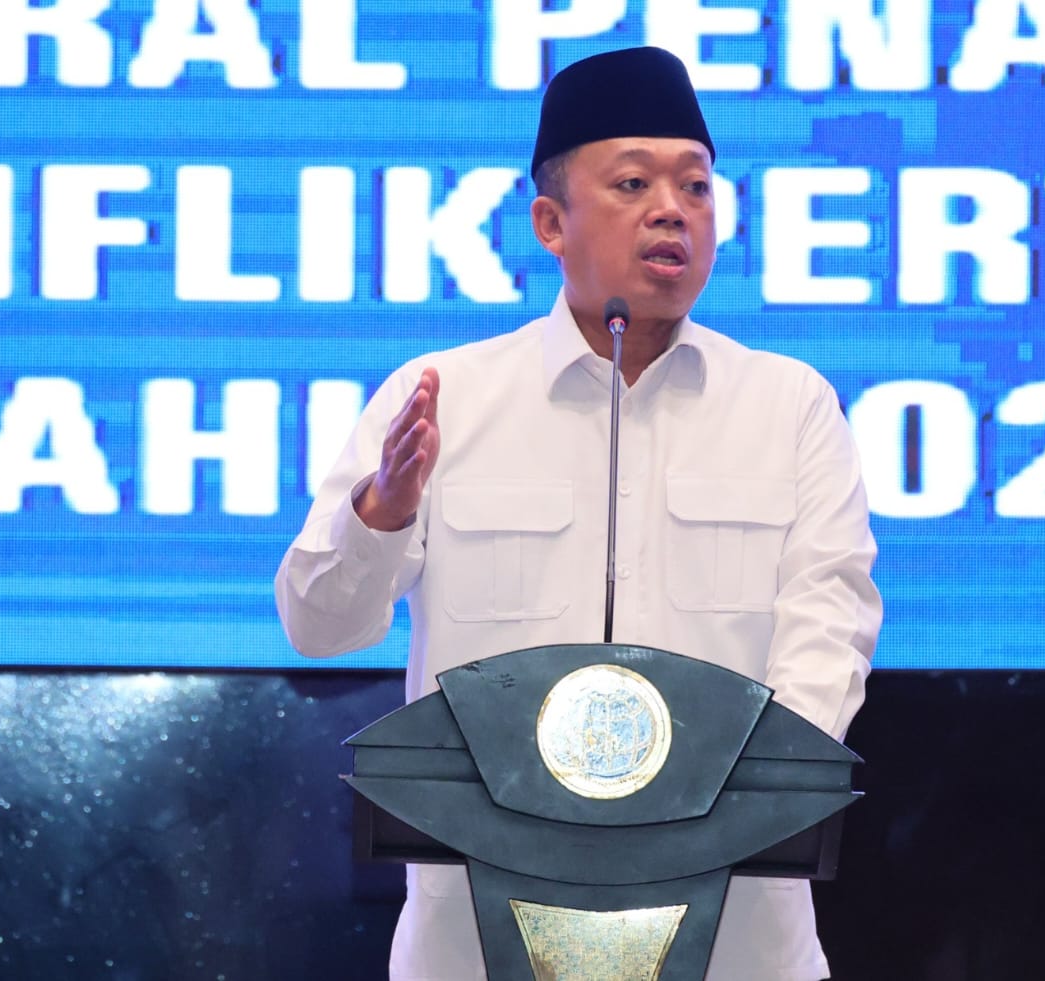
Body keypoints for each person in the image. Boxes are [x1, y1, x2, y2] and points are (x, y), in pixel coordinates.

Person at [275, 46, 881, 981]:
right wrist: (381, 513)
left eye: (696, 186)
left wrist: (727, 805)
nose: (672, 209)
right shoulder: (444, 396)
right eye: (633, 183)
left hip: (735, 939)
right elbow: (318, 625)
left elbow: (826, 637)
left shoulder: (789, 406)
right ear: (550, 222)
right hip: (478, 944)